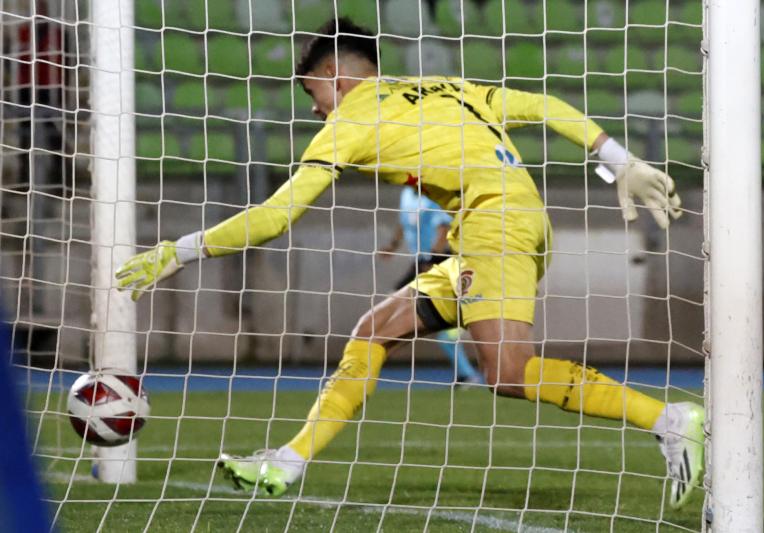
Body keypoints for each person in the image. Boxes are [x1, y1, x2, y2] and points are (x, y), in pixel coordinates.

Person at [115, 18, 703, 509]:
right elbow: (545, 104)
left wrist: (178, 251)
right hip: (510, 222)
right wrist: (621, 162)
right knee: (376, 328)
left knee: (507, 372)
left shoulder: (348, 122)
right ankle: (289, 462)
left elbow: (275, 215)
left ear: (334, 76)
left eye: (312, 96)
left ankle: (668, 418)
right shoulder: (444, 87)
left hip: (495, 223)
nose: (316, 113)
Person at [380, 186, 482, 386]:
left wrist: (433, 259)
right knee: (391, 303)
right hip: (420, 261)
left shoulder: (433, 195)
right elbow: (404, 222)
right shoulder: (406, 194)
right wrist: (393, 244)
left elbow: (443, 229)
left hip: (439, 261)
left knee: (446, 335)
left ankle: (468, 375)